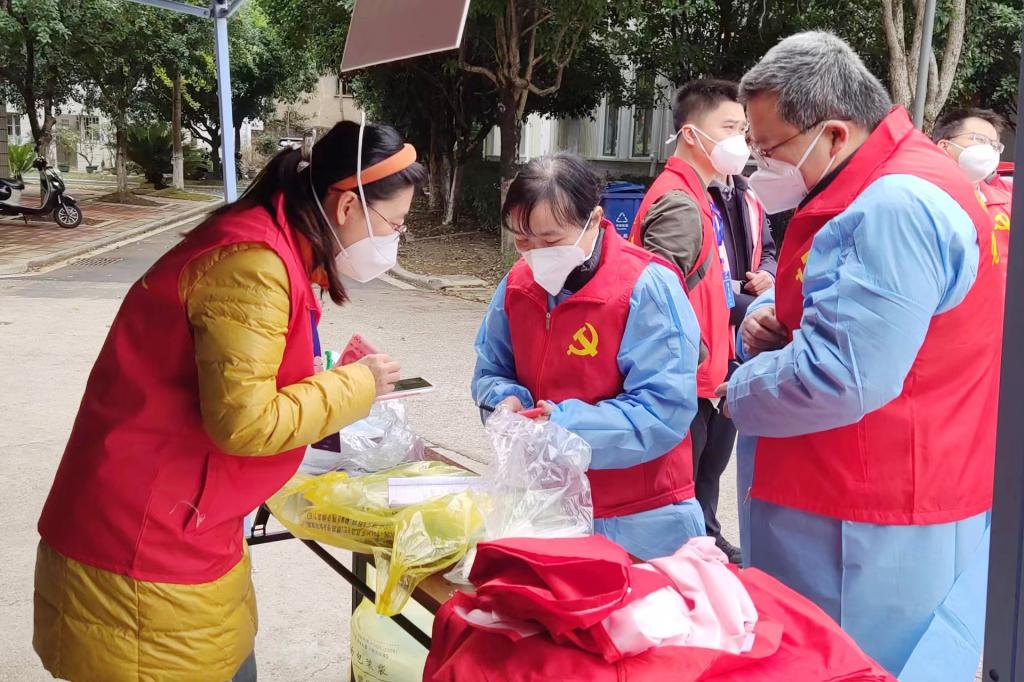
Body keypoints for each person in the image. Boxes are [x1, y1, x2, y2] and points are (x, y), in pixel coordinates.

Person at [32, 120, 424, 682]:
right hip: (144, 542)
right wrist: (355, 385)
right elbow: (245, 421)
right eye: (395, 222)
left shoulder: (269, 243)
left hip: (182, 517)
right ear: (347, 207)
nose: (396, 237)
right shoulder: (254, 265)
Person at [718, 32, 1003, 681]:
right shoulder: (890, 183)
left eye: (769, 149)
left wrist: (735, 390)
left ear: (835, 135)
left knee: (848, 665)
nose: (759, 165)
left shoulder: (894, 206)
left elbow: (842, 375)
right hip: (873, 496)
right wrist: (781, 318)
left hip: (861, 520)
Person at [472, 153, 705, 561]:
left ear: (594, 220)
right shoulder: (517, 286)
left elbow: (662, 410)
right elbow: (491, 369)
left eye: (551, 241)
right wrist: (504, 401)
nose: (536, 253)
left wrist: (563, 425)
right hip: (546, 504)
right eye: (523, 240)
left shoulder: (646, 287)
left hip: (640, 516)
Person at [627, 80, 748, 563]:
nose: (741, 140)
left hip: (701, 378)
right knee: (677, 505)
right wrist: (695, 358)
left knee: (698, 488)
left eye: (743, 128)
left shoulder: (698, 194)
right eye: (730, 127)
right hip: (685, 383)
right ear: (692, 134)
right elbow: (656, 301)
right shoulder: (679, 201)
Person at [934, 107, 1011, 276]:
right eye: (980, 139)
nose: (989, 149)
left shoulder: (1007, 203)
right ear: (945, 146)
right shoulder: (923, 201)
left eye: (995, 145)